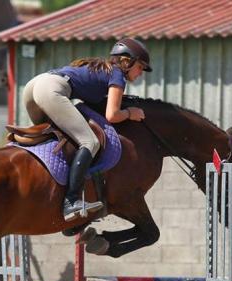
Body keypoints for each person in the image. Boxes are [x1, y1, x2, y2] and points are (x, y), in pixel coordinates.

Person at [22, 38, 152, 222]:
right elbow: (112, 115)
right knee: (90, 142)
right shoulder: (117, 75)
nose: (141, 73)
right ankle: (71, 201)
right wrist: (131, 113)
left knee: (57, 139)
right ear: (126, 61)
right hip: (51, 90)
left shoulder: (101, 70)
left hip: (34, 85)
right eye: (140, 67)